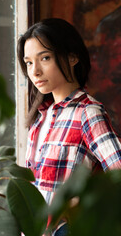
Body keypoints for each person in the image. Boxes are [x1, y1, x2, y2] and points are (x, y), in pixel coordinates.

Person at [17, 18, 121, 236]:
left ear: (72, 57)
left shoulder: (87, 113)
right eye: (28, 62)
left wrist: (78, 206)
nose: (34, 71)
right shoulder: (41, 116)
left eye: (44, 58)